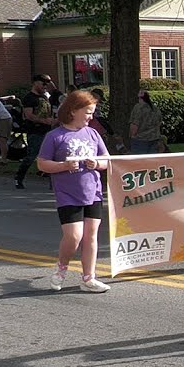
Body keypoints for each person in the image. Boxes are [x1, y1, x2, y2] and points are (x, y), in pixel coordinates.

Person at [38, 89, 111, 293]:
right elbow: (42, 164)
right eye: (88, 112)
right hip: (68, 194)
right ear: (73, 110)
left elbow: (106, 160)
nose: (91, 116)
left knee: (91, 235)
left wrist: (96, 163)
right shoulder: (55, 136)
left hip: (93, 192)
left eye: (92, 112)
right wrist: (63, 166)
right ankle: (62, 268)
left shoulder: (93, 133)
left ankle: (89, 278)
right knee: (74, 236)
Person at [15, 74, 59, 189]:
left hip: (48, 131)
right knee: (32, 156)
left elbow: (54, 90)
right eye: (42, 83)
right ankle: (19, 177)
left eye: (46, 84)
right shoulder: (29, 98)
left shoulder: (45, 97)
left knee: (52, 156)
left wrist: (49, 81)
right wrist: (46, 121)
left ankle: (53, 183)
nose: (45, 86)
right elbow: (29, 116)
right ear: (35, 83)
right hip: (35, 131)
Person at [127, 89, 164, 154]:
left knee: (140, 162)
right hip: (154, 139)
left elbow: (134, 125)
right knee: (152, 162)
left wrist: (132, 136)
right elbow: (159, 123)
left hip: (140, 140)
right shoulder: (155, 109)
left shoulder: (138, 108)